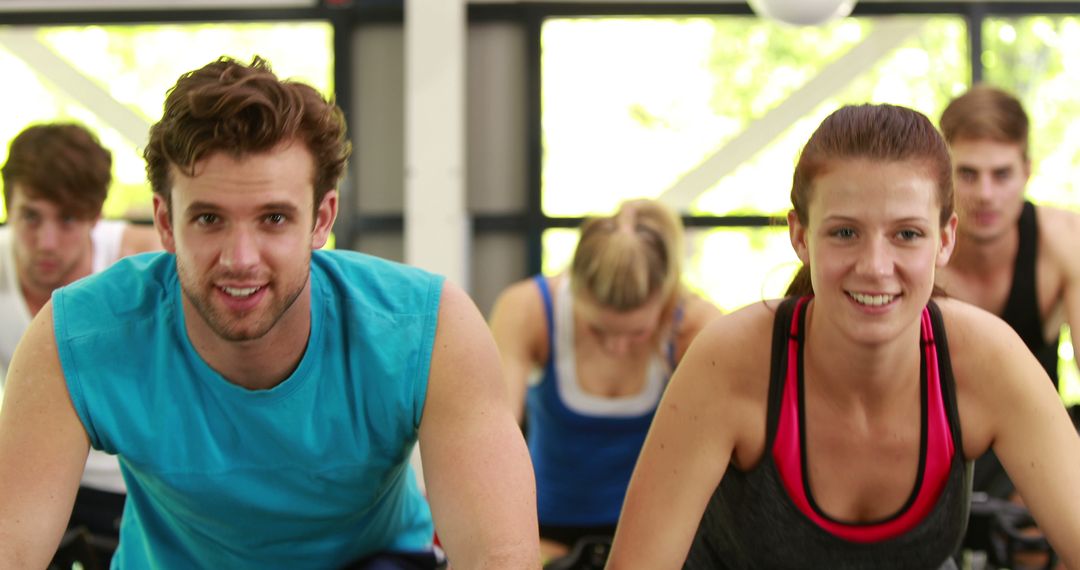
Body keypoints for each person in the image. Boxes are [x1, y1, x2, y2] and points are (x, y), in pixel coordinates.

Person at [0, 56, 540, 569]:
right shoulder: (76, 336)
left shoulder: (427, 328)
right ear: (165, 223)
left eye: (274, 218)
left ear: (322, 219)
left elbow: (501, 558)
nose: (240, 259)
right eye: (209, 218)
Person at [604, 103, 1080, 569]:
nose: (874, 266)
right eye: (845, 233)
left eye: (907, 234)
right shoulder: (729, 361)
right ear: (801, 236)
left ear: (946, 239)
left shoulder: (986, 359)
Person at [488, 198, 721, 561]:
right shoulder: (528, 309)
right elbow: (491, 437)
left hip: (651, 533)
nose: (616, 347)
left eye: (638, 333)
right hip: (544, 528)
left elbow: (721, 461)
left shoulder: (696, 327)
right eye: (597, 330)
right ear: (573, 290)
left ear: (665, 299)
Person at [0, 122, 161, 548]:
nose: (47, 242)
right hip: (22, 477)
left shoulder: (144, 265)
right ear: (8, 206)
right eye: (31, 217)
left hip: (124, 485)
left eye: (68, 219)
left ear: (94, 216)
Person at [937, 84, 1080, 498]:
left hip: (1038, 441)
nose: (985, 194)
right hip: (935, 447)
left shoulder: (1065, 241)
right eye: (967, 173)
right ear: (943, 174)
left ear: (1026, 171)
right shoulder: (915, 249)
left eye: (1001, 174)